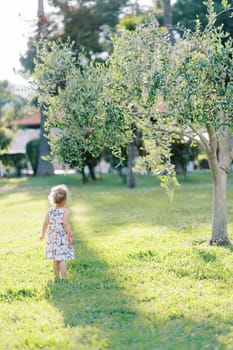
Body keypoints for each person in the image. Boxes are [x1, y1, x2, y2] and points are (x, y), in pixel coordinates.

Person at [40, 184, 75, 282]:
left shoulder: (50, 210)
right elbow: (65, 223)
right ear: (65, 199)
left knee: (55, 258)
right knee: (62, 258)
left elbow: (45, 223)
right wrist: (71, 235)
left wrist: (43, 234)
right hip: (62, 237)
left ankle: (56, 277)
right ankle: (63, 278)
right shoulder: (65, 211)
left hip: (52, 237)